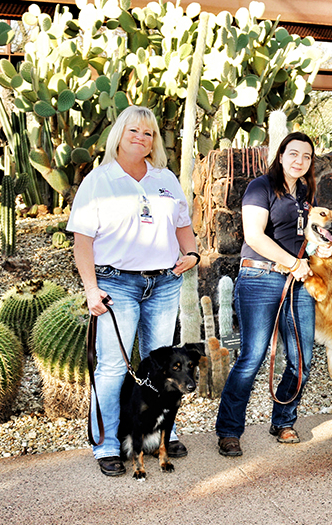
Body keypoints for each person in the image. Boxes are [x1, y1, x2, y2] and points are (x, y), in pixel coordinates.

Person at [68, 105, 200, 477]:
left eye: (149, 133)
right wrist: (91, 289)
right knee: (111, 368)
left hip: (163, 283)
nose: (141, 138)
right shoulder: (99, 180)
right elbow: (82, 241)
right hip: (116, 284)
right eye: (134, 131)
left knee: (164, 366)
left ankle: (163, 434)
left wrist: (191, 253)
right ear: (119, 134)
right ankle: (107, 444)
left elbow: (182, 225)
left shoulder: (166, 178)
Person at [214, 132, 319, 457]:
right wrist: (292, 263)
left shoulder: (305, 192)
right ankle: (229, 431)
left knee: (303, 358)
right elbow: (255, 237)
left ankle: (284, 420)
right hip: (260, 276)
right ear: (281, 154)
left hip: (297, 281)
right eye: (294, 154)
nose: (299, 161)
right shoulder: (260, 186)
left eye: (306, 156)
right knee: (252, 356)